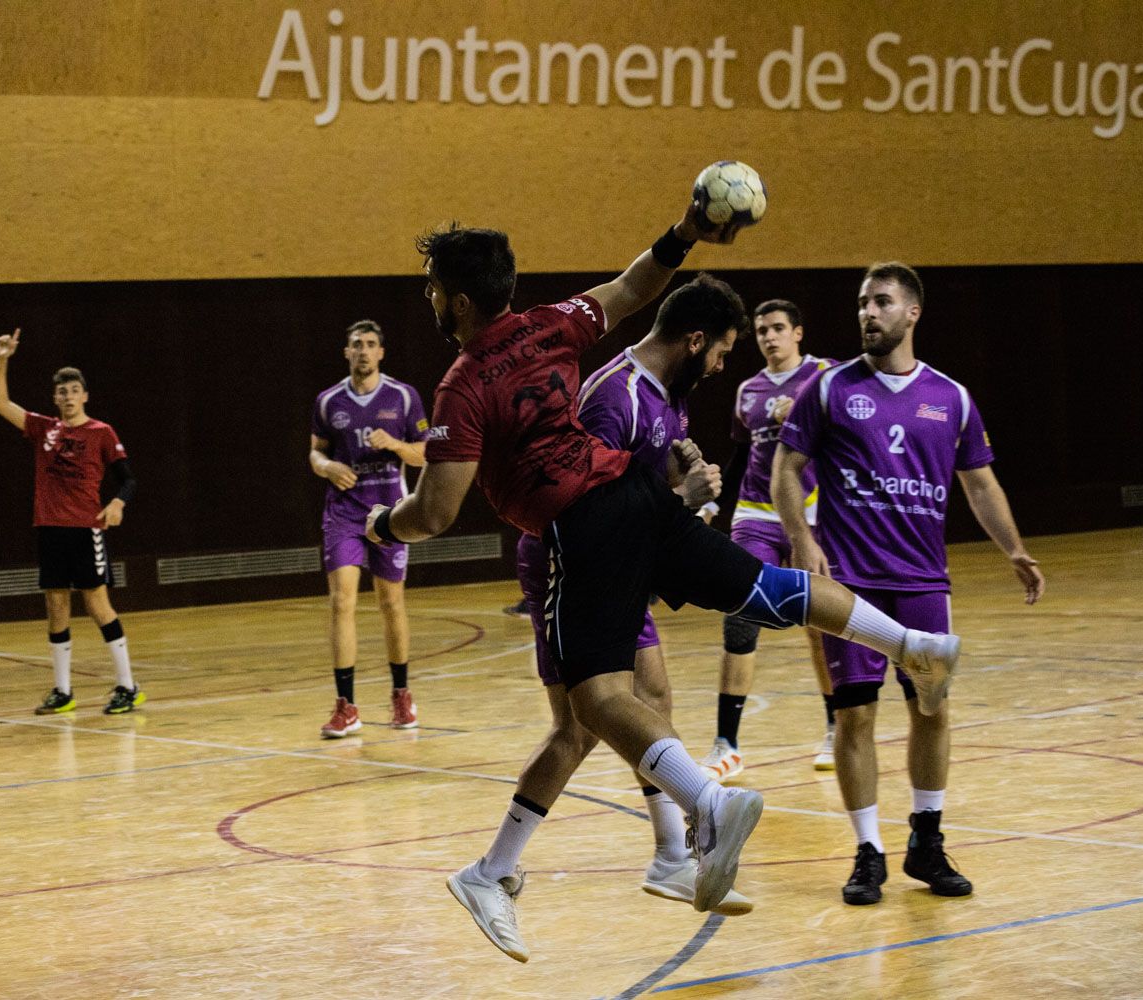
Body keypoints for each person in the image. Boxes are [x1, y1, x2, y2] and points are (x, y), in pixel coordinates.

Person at [363, 205, 961, 963]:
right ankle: (913, 645)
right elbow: (634, 284)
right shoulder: (554, 323)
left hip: (580, 531)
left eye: (429, 288)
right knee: (764, 594)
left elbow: (438, 510)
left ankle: (703, 809)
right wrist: (689, 226)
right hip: (638, 500)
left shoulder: (462, 385)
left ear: (455, 298)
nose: (427, 300)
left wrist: (387, 525)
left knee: (598, 702)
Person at [771, 262, 1044, 907]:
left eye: (882, 302)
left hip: (923, 581)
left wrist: (1014, 549)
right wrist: (804, 542)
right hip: (852, 581)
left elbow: (979, 482)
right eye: (863, 302)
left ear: (913, 313)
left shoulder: (951, 396)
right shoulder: (829, 389)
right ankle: (868, 852)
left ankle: (927, 839)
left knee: (932, 706)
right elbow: (787, 471)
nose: (868, 312)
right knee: (855, 715)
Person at [509, 277, 755, 921]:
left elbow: (641, 493)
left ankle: (672, 856)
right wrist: (683, 499)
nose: (723, 366)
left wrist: (683, 488)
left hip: (618, 563)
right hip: (571, 566)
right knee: (577, 729)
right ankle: (495, 869)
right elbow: (592, 514)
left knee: (653, 695)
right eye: (723, 352)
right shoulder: (613, 399)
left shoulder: (669, 399)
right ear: (695, 340)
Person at [694, 300, 836, 779]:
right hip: (754, 513)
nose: (769, 337)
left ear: (798, 333)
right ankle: (726, 745)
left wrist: (801, 411)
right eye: (761, 331)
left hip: (811, 515)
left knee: (819, 622)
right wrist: (713, 505)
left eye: (778, 328)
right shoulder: (748, 390)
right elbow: (740, 456)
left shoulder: (825, 376)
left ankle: (836, 727)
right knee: (741, 613)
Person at [0, 328, 144, 715]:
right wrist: (2, 357)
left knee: (96, 603)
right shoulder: (44, 428)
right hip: (49, 527)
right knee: (56, 605)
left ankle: (128, 685)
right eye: (62, 392)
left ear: (85, 396)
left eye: (74, 390)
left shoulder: (101, 432)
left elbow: (128, 478)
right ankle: (63, 691)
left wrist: (117, 503)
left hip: (84, 528)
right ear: (55, 399)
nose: (68, 397)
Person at [309, 320, 429, 737]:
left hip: (389, 513)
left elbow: (424, 455)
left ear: (381, 353)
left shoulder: (403, 397)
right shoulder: (328, 401)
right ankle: (346, 706)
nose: (362, 350)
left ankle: (401, 693)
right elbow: (315, 453)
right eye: (356, 344)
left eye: (370, 344)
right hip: (343, 513)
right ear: (347, 353)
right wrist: (327, 467)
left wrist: (395, 445)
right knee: (341, 602)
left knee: (391, 603)